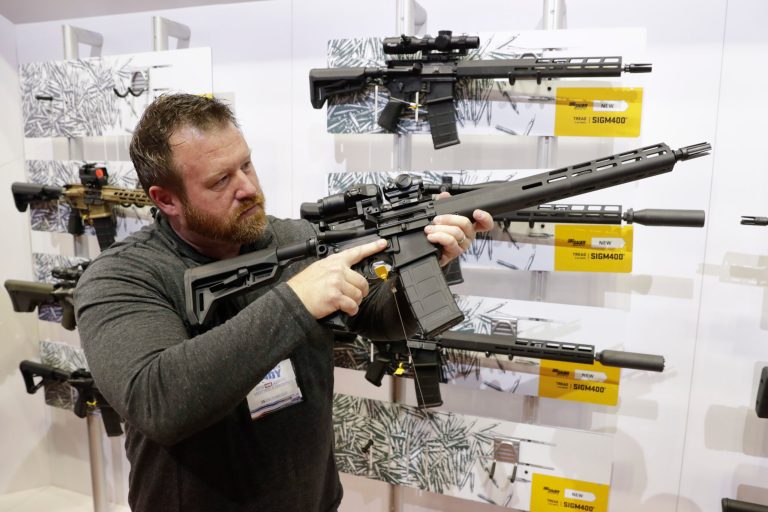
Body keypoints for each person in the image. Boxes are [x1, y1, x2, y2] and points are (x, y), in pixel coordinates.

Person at [74, 93, 493, 512]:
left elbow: (376, 318)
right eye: (220, 180)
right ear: (166, 199)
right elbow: (158, 402)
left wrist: (423, 262)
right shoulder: (121, 277)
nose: (248, 188)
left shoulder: (295, 238)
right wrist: (297, 300)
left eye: (246, 164)